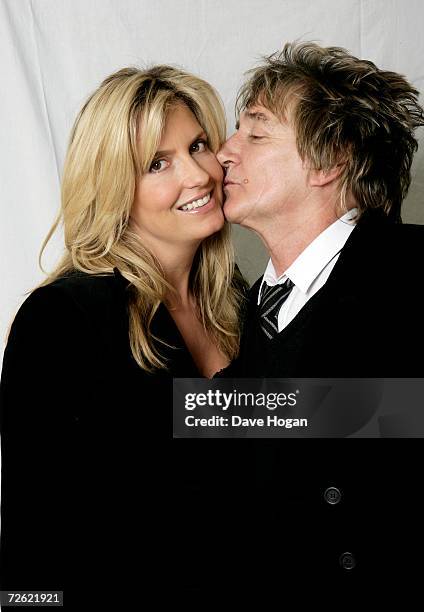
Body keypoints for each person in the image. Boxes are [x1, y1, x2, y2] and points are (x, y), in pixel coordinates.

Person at [0, 65, 246, 605]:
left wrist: (395, 410)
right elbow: (31, 528)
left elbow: (286, 419)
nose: (199, 174)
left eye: (199, 145)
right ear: (115, 186)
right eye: (158, 163)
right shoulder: (62, 319)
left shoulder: (238, 299)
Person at [215, 42, 424, 598]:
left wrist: (201, 409)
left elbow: (402, 412)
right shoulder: (245, 307)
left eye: (256, 134)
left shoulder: (413, 273)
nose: (224, 153)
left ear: (331, 158)